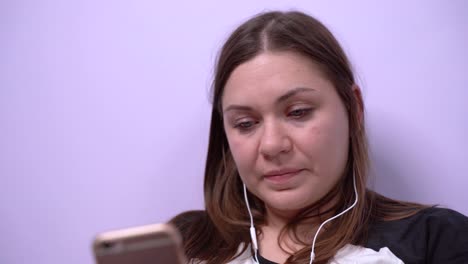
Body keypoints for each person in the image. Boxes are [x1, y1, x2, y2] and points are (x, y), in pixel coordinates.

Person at [170, 10, 468, 264]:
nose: (273, 145)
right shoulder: (183, 243)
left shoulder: (438, 240)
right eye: (246, 123)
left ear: (353, 108)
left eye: (298, 112)